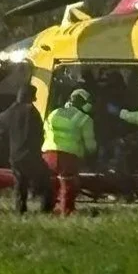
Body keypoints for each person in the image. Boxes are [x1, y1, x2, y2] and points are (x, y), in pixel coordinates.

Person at [0, 84, 53, 214]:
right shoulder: (32, 111)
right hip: (31, 155)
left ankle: (20, 210)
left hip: (15, 156)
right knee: (45, 181)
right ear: (30, 96)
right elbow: (40, 134)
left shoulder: (9, 112)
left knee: (20, 183)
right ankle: (46, 210)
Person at [42, 88, 97, 216]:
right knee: (68, 184)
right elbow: (90, 144)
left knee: (52, 183)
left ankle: (51, 209)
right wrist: (91, 153)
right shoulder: (84, 119)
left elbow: (45, 131)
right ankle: (66, 210)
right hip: (68, 156)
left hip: (48, 154)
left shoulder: (54, 113)